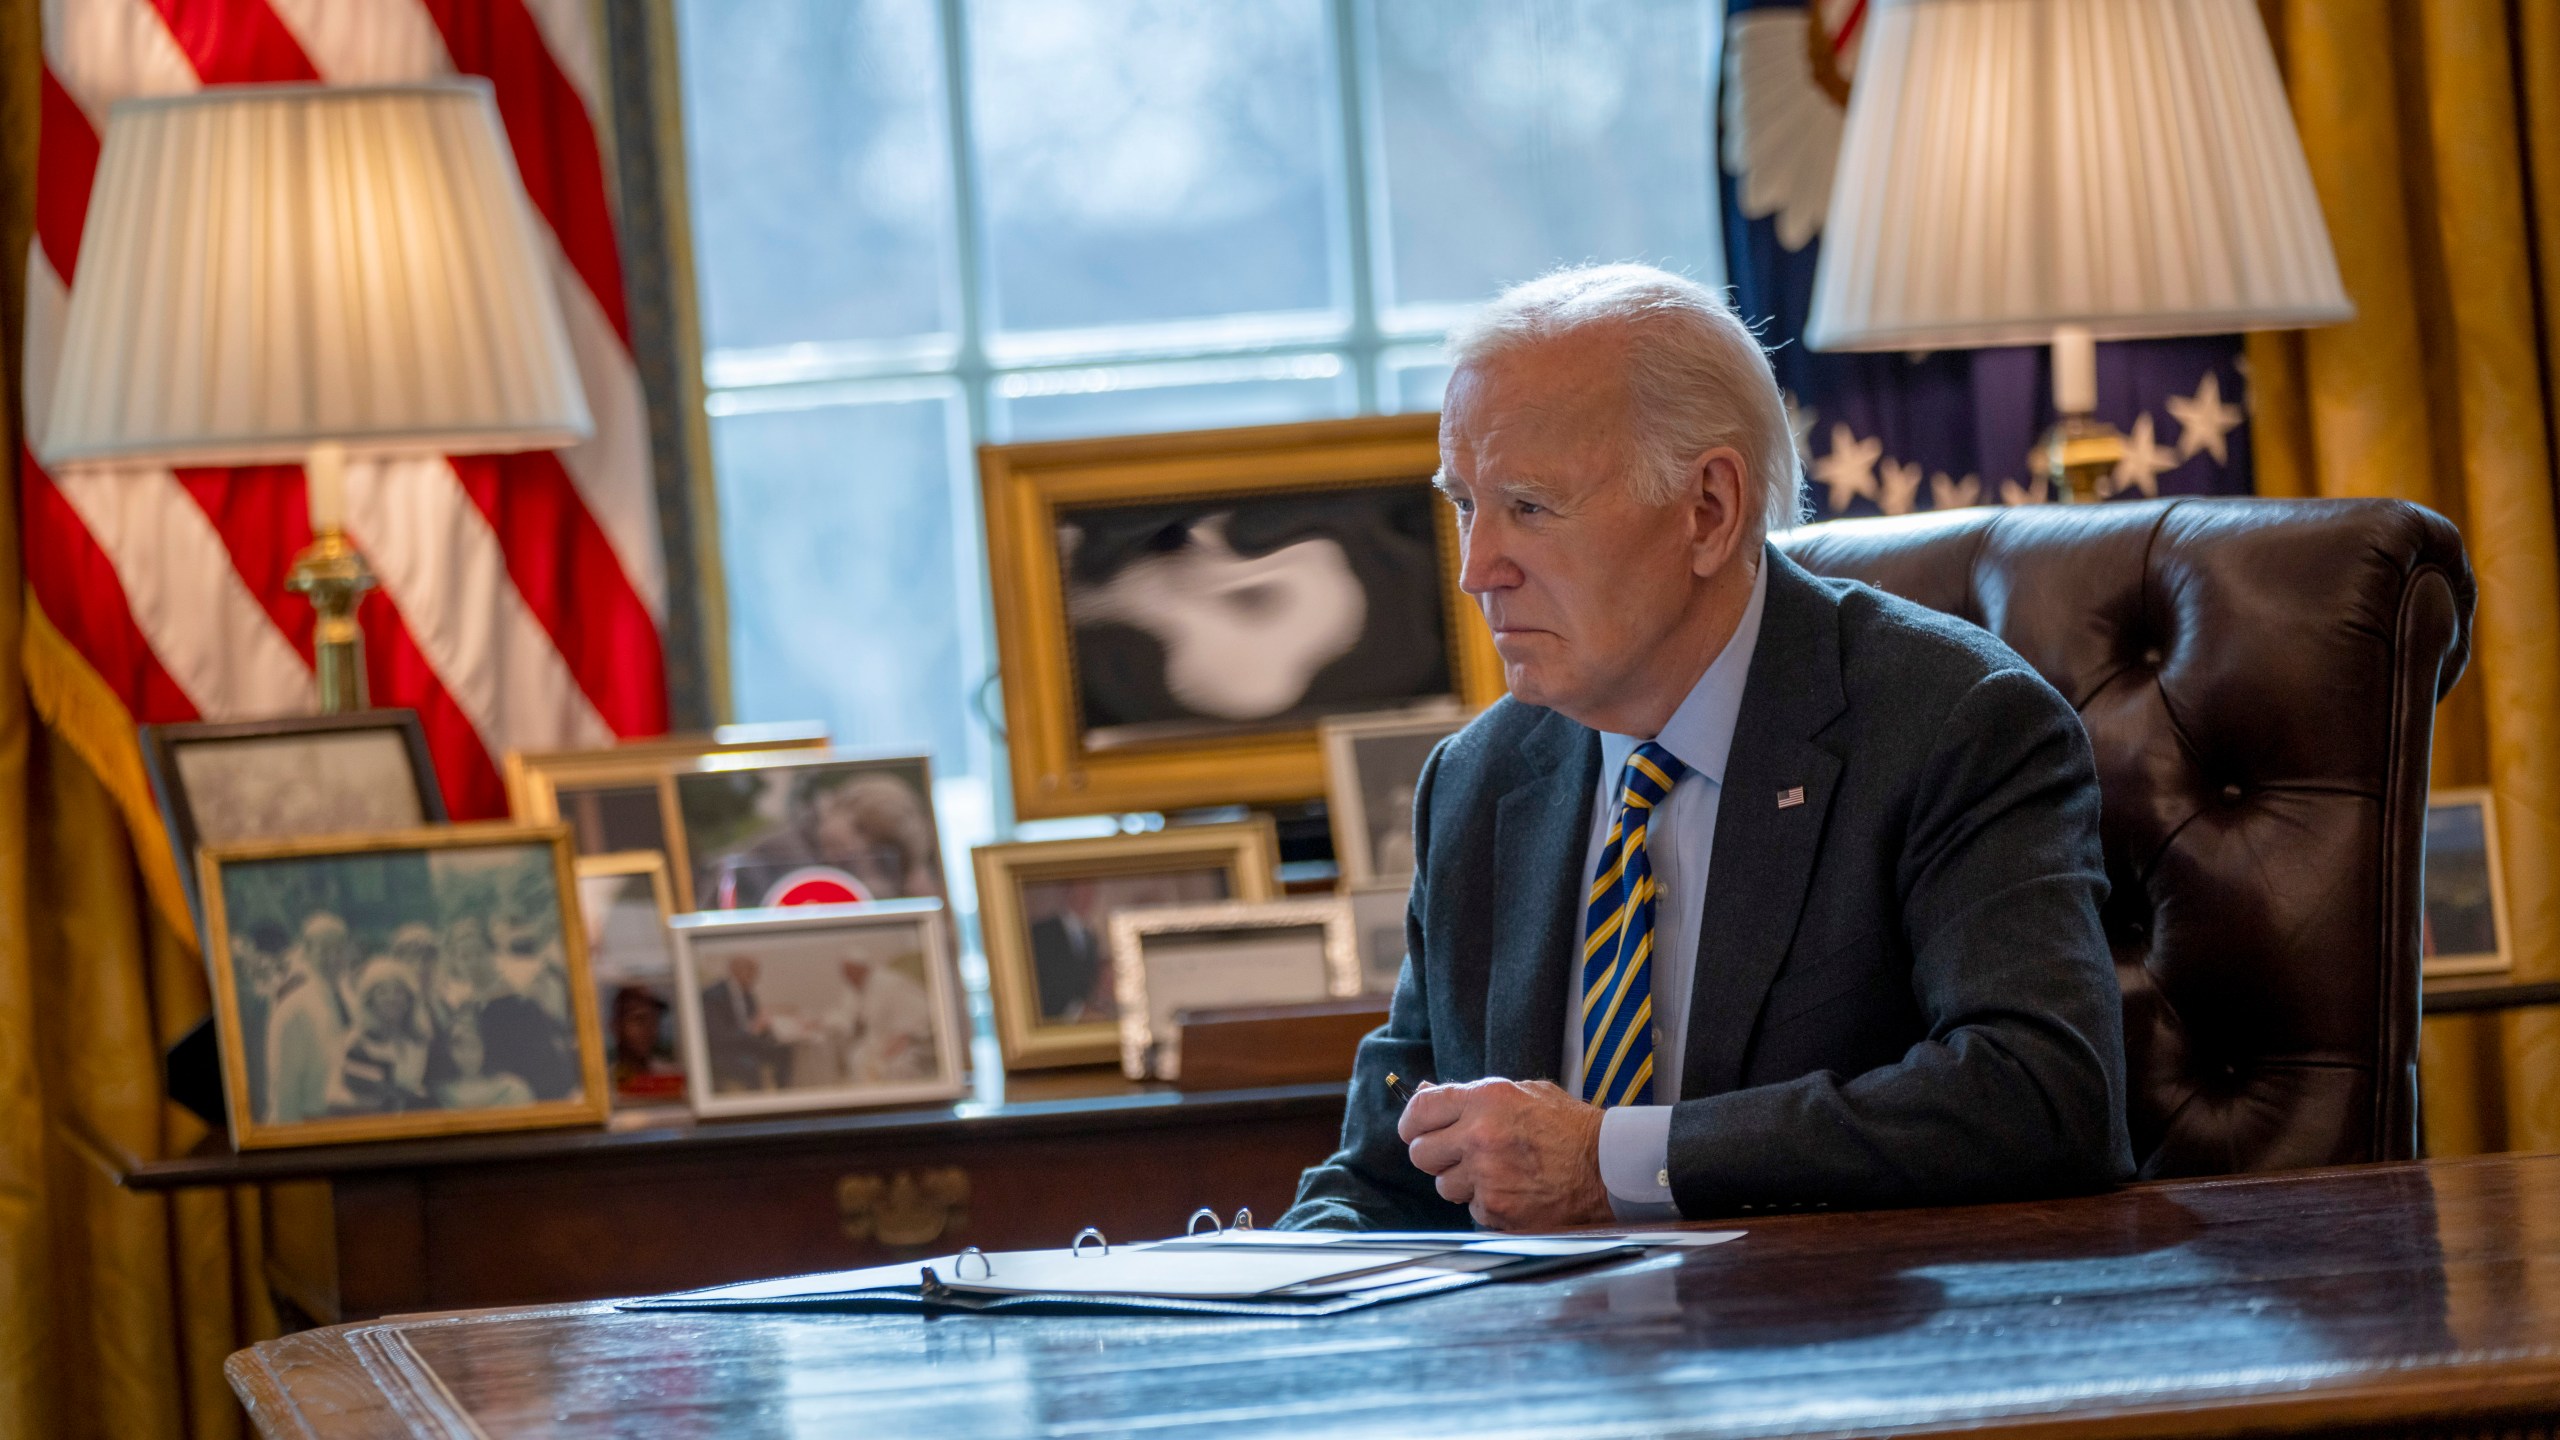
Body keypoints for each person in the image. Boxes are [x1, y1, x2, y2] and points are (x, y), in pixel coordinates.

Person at [1279, 265, 2131, 1232]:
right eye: (1465, 504)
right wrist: (1254, 1305)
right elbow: (1388, 1173)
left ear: (1710, 510)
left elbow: (2046, 1094)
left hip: (1838, 1347)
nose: (1477, 570)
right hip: (1541, 1365)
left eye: (1529, 507)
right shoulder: (1477, 782)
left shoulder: (1953, 725)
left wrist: (1614, 1161)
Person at [262, 913, 355, 1126]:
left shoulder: (351, 999)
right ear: (307, 951)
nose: (333, 958)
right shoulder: (294, 1008)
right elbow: (284, 1089)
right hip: (311, 1121)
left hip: (348, 1119)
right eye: (324, 949)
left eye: (339, 949)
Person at [329, 956, 431, 1114]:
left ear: (409, 999)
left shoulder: (417, 1039)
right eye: (383, 992)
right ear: (370, 1000)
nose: (392, 999)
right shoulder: (357, 1043)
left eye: (398, 992)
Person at [700, 954, 789, 1093]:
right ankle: (756, 1105)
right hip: (724, 1051)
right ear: (735, 970)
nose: (755, 976)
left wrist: (765, 1026)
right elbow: (718, 1036)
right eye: (751, 970)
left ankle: (784, 1096)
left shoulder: (747, 994)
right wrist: (751, 1030)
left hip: (746, 1044)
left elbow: (755, 1026)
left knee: (784, 1051)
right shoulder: (712, 996)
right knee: (750, 1066)